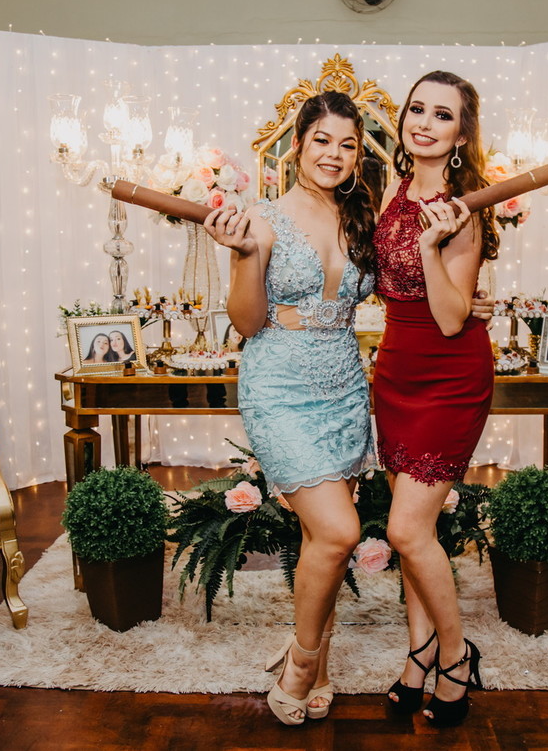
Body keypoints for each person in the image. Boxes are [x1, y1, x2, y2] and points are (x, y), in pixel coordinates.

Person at [202, 91, 377, 726]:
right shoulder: (261, 219)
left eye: (347, 144)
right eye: (322, 140)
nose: (334, 154)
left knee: (317, 538)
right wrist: (244, 255)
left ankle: (319, 666)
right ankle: (301, 662)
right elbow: (248, 322)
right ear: (297, 144)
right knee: (340, 532)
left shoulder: (361, 219)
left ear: (358, 154)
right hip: (280, 386)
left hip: (345, 386)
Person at [373, 70, 492, 727]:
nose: (423, 122)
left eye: (442, 114)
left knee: (405, 528)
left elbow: (450, 318)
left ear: (462, 134)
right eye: (416, 109)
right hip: (395, 372)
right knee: (414, 531)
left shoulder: (463, 208)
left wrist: (428, 243)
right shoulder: (390, 191)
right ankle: (418, 655)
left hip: (449, 375)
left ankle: (455, 655)